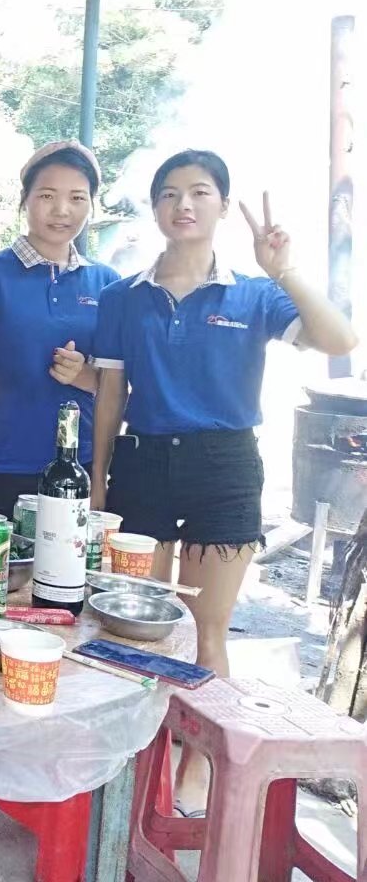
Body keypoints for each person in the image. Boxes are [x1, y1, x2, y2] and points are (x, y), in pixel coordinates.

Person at [90, 149, 355, 812]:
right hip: (144, 463)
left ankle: (199, 764)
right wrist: (98, 482)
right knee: (137, 625)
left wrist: (285, 269)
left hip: (226, 467)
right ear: (155, 208)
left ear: (221, 205)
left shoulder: (255, 293)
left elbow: (339, 339)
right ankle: (135, 764)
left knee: (208, 629)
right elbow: (110, 393)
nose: (183, 204)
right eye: (170, 193)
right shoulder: (124, 297)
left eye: (200, 192)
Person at [0, 142, 120, 514]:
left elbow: (120, 387)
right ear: (25, 199)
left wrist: (86, 377)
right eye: (47, 195)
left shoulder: (108, 284)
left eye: (77, 198)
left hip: (77, 466)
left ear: (91, 205)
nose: (62, 210)